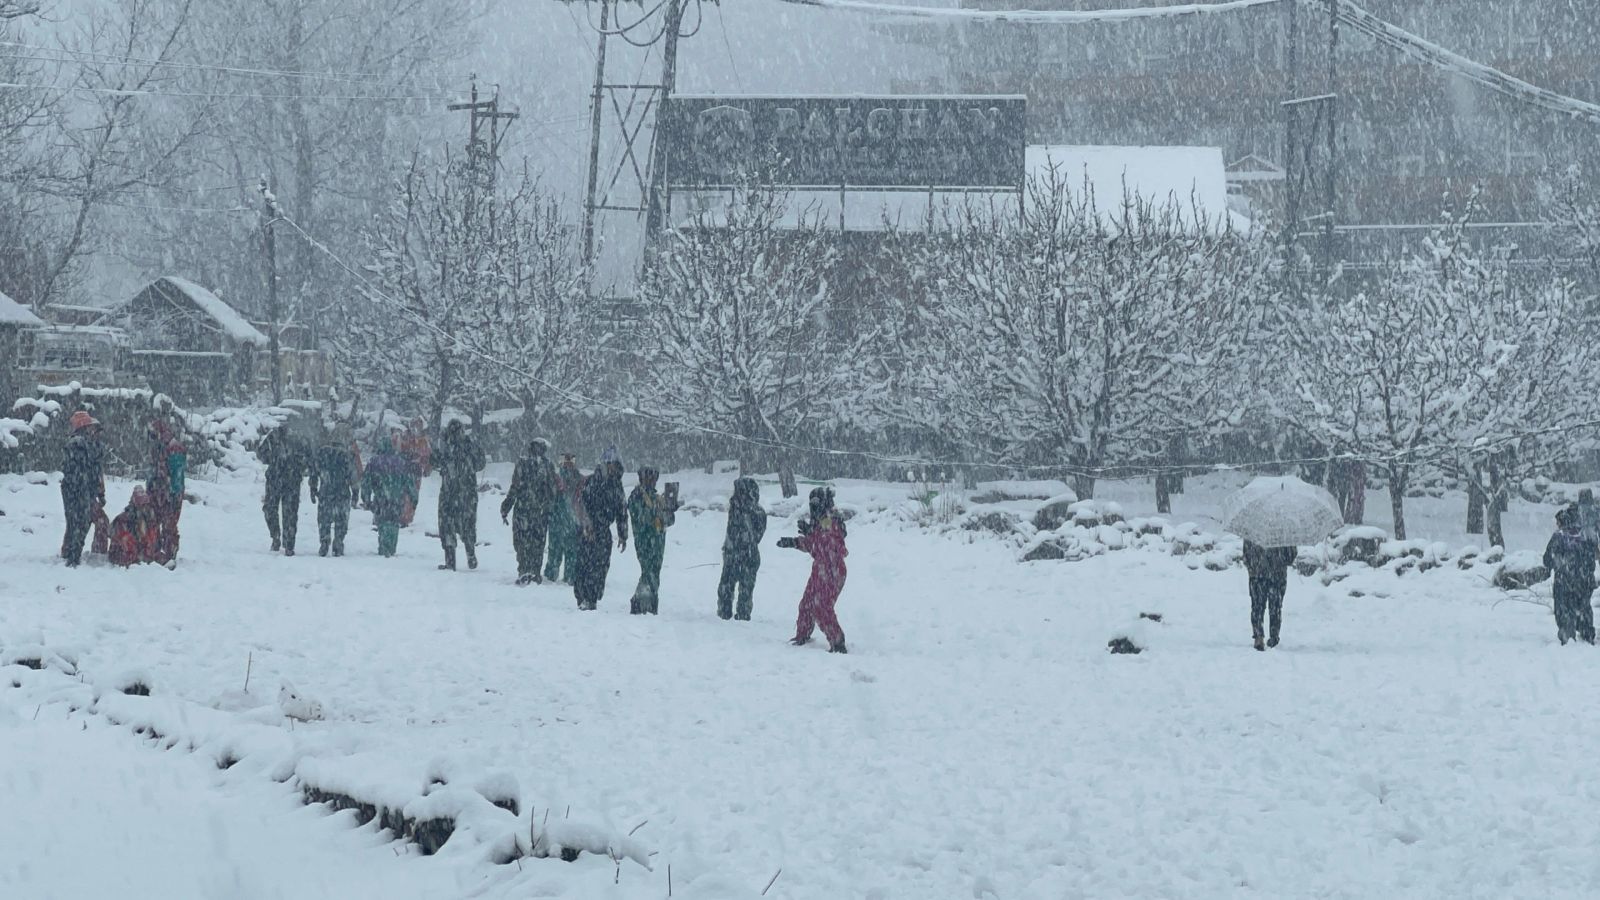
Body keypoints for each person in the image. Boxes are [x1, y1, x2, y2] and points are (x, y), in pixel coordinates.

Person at [778, 486, 849, 653]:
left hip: (833, 571)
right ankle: (802, 635)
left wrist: (812, 533)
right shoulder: (820, 520)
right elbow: (814, 544)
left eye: (816, 503)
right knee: (807, 604)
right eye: (812, 503)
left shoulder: (831, 520)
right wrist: (793, 542)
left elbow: (829, 542)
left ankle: (838, 642)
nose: (813, 507)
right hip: (820, 569)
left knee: (821, 606)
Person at [502, 437, 559, 585]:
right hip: (531, 512)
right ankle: (529, 571)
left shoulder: (545, 466)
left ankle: (530, 571)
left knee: (530, 542)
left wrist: (507, 505)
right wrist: (507, 505)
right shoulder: (535, 465)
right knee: (530, 543)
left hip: (530, 511)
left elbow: (552, 490)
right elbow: (515, 487)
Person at [574, 452, 627, 610]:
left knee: (601, 566)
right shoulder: (591, 482)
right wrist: (587, 525)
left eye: (616, 466)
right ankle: (582, 597)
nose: (613, 469)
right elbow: (581, 505)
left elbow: (622, 511)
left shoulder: (617, 486)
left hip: (604, 532)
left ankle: (592, 598)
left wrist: (623, 534)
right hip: (587, 531)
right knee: (583, 565)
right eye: (611, 465)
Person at [433, 419, 486, 570]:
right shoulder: (468, 446)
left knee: (448, 525)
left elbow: (434, 461)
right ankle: (470, 553)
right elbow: (480, 463)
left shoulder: (448, 447)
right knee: (466, 525)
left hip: (451, 493)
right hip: (466, 494)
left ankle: (452, 561)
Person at [1543, 506, 1597, 645]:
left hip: (1564, 581)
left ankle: (1568, 635)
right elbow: (1594, 556)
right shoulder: (1586, 534)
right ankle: (1587, 633)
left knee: (1564, 609)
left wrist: (1558, 565)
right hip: (1584, 581)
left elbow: (1547, 559)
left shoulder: (1559, 536)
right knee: (1584, 607)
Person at [627, 466, 677, 614]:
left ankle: (649, 603)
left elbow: (668, 521)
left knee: (654, 572)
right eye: (648, 478)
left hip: (658, 541)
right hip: (644, 540)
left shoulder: (657, 497)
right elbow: (643, 517)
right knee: (648, 572)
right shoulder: (636, 496)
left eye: (654, 479)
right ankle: (641, 603)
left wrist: (669, 509)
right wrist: (659, 512)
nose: (652, 482)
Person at [60, 411, 106, 567]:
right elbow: (88, 469)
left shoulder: (79, 443)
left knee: (75, 523)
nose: (92, 430)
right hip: (79, 489)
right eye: (89, 427)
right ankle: (73, 556)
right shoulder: (79, 444)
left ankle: (70, 553)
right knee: (80, 522)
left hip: (76, 489)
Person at [718, 477, 767, 621]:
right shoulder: (736, 508)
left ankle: (741, 616)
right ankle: (725, 614)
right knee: (727, 588)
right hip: (734, 554)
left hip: (746, 555)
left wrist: (743, 544)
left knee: (744, 590)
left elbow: (757, 536)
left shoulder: (755, 512)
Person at [257, 424, 311, 555]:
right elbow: (308, 458)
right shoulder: (298, 438)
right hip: (289, 480)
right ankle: (287, 543)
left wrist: (273, 461)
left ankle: (279, 539)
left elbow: (261, 453)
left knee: (273, 509)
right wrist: (299, 468)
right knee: (289, 512)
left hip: (277, 478)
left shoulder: (274, 435)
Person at [362, 435, 418, 558]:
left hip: (381, 499)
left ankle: (384, 547)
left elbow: (366, 482)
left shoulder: (374, 462)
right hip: (397, 500)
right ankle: (391, 547)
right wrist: (414, 498)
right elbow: (409, 482)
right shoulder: (400, 462)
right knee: (393, 523)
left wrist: (366, 498)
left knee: (383, 523)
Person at [310, 425, 360, 557]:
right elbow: (353, 476)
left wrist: (313, 487)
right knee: (341, 520)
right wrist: (355, 493)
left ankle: (324, 541)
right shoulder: (347, 456)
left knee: (324, 519)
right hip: (342, 493)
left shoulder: (322, 453)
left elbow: (314, 472)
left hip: (326, 492)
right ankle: (338, 542)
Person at [146, 418, 187, 566]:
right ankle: (158, 552)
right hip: (159, 492)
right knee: (155, 523)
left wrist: (172, 493)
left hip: (169, 493)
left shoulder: (173, 448)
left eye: (153, 433)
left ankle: (169, 554)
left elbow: (177, 475)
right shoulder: (159, 446)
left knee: (168, 525)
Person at [1242, 540, 1296, 651]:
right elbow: (1291, 557)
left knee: (1258, 606)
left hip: (1259, 574)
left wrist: (1252, 566)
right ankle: (1273, 637)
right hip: (1276, 575)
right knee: (1275, 608)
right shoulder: (1284, 532)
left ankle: (1259, 636)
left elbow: (1246, 554)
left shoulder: (1254, 530)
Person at [543, 453, 582, 585]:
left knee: (570, 551)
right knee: (555, 550)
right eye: (566, 461)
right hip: (558, 519)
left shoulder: (577, 478)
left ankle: (568, 577)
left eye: (571, 460)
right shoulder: (556, 478)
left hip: (570, 521)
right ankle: (551, 576)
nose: (568, 463)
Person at [108, 486, 162, 567]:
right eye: (142, 505)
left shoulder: (151, 520)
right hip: (123, 556)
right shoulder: (123, 520)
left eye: (146, 505)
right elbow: (126, 544)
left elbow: (156, 543)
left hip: (142, 555)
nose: (145, 508)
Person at [397, 418, 431, 527]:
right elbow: (398, 451)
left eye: (418, 426)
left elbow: (427, 455)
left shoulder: (423, 440)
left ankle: (408, 515)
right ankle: (403, 517)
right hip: (405, 469)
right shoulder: (404, 437)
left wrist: (427, 468)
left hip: (416, 470)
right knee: (405, 493)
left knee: (414, 494)